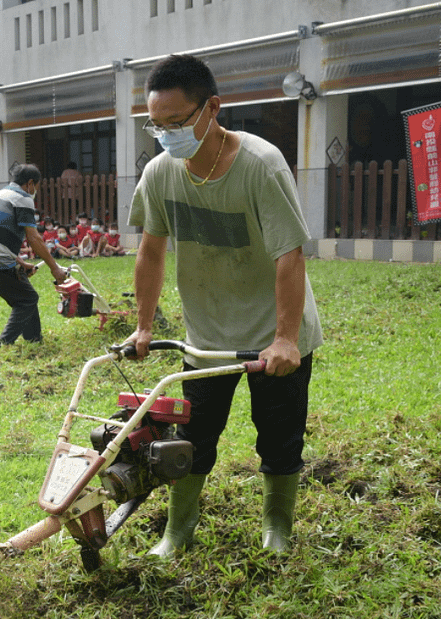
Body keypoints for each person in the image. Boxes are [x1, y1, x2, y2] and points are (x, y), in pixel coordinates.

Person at [126, 54, 323, 557]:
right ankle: (178, 528)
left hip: (273, 334)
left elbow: (289, 254)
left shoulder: (261, 165)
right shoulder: (159, 173)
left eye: (177, 122)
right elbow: (151, 250)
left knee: (279, 436)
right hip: (206, 337)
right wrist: (144, 326)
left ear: (212, 108)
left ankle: (276, 526)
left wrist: (285, 338)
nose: (167, 135)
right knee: (192, 436)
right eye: (157, 125)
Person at [0, 163, 68, 345]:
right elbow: (34, 238)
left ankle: (34, 339)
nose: (35, 190)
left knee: (25, 295)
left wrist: (20, 263)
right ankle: (4, 344)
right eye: (36, 186)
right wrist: (55, 268)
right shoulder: (22, 198)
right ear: (30, 183)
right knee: (27, 299)